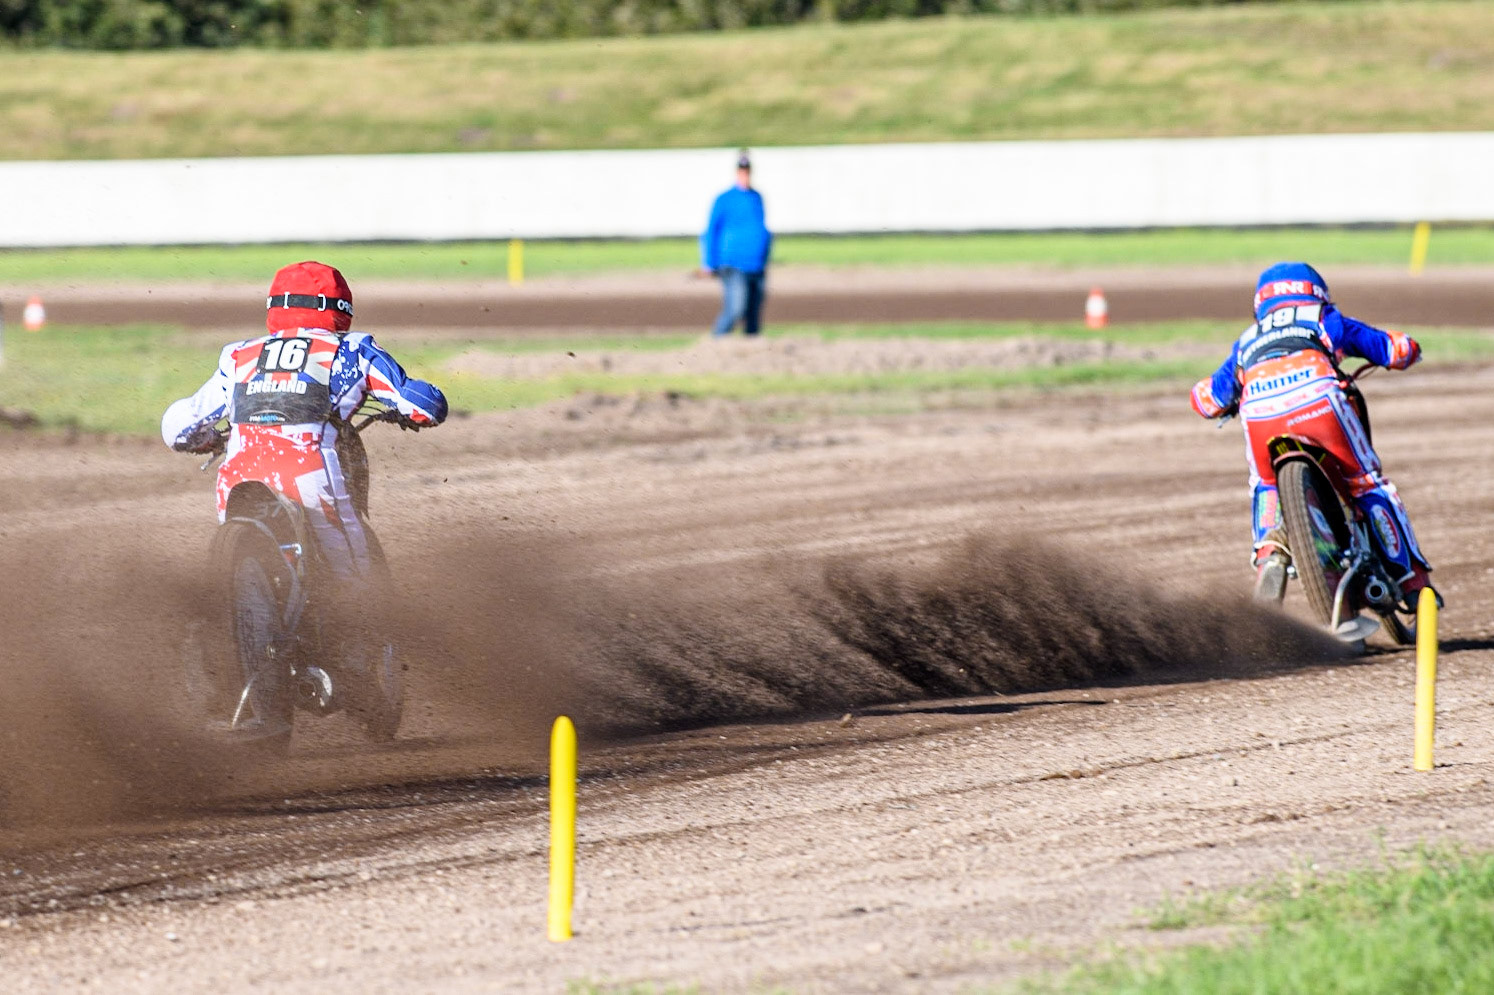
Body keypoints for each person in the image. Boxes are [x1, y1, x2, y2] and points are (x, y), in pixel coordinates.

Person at [161, 260, 447, 587]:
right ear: (341, 306)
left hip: (237, 475)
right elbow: (425, 406)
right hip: (310, 473)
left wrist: (209, 440)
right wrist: (416, 409)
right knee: (358, 587)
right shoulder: (353, 349)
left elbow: (176, 429)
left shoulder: (237, 354)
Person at [1189, 262, 1434, 604]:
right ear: (1317, 293)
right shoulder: (1324, 318)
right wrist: (1410, 348)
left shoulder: (1246, 340)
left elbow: (1209, 401)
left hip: (1259, 409)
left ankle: (1270, 552)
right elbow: (1393, 349)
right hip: (1319, 399)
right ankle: (1412, 581)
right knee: (1366, 483)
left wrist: (1204, 395)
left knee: (1266, 483)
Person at [698, 149, 772, 337]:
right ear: (737, 172)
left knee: (753, 314)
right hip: (732, 263)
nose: (745, 175)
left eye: (747, 171)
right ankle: (715, 342)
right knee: (736, 308)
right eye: (742, 171)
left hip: (756, 264)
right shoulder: (724, 199)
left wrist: (765, 253)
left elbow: (761, 227)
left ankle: (753, 349)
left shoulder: (756, 197)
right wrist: (708, 262)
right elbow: (710, 231)